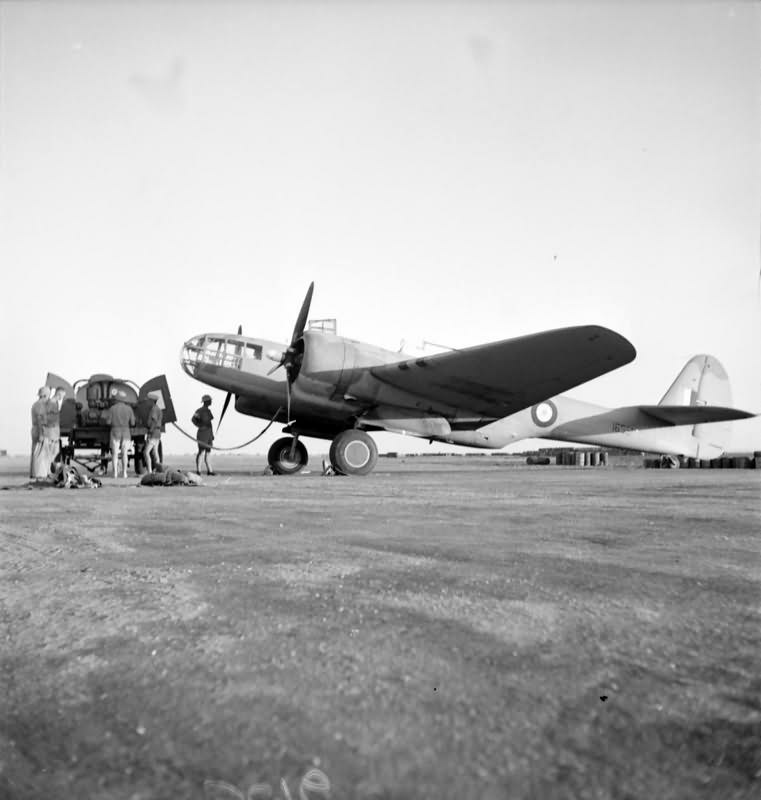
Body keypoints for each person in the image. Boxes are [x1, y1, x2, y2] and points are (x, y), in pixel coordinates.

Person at [104, 396, 135, 478]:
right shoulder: (129, 409)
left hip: (115, 430)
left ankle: (115, 474)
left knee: (115, 453)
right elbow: (132, 423)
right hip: (126, 431)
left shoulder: (112, 409)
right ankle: (124, 473)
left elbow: (108, 422)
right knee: (124, 453)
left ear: (116, 400)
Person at [30, 387, 51, 481]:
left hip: (39, 430)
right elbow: (39, 420)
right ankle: (40, 476)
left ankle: (39, 475)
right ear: (45, 395)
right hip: (40, 430)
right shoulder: (40, 405)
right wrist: (41, 434)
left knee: (38, 453)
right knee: (40, 454)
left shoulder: (37, 404)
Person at [192, 394, 216, 475]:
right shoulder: (199, 410)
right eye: (210, 400)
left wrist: (211, 435)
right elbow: (193, 419)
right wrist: (200, 426)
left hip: (208, 433)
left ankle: (210, 471)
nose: (211, 401)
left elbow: (210, 423)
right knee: (201, 452)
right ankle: (198, 471)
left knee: (208, 452)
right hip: (202, 433)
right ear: (206, 401)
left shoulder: (208, 411)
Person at [143, 392, 163, 474]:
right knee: (155, 453)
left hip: (153, 432)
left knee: (146, 452)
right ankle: (159, 470)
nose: (147, 402)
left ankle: (150, 471)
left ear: (152, 401)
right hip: (157, 432)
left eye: (148, 401)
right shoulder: (158, 408)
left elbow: (154, 421)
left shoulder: (154, 409)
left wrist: (150, 431)